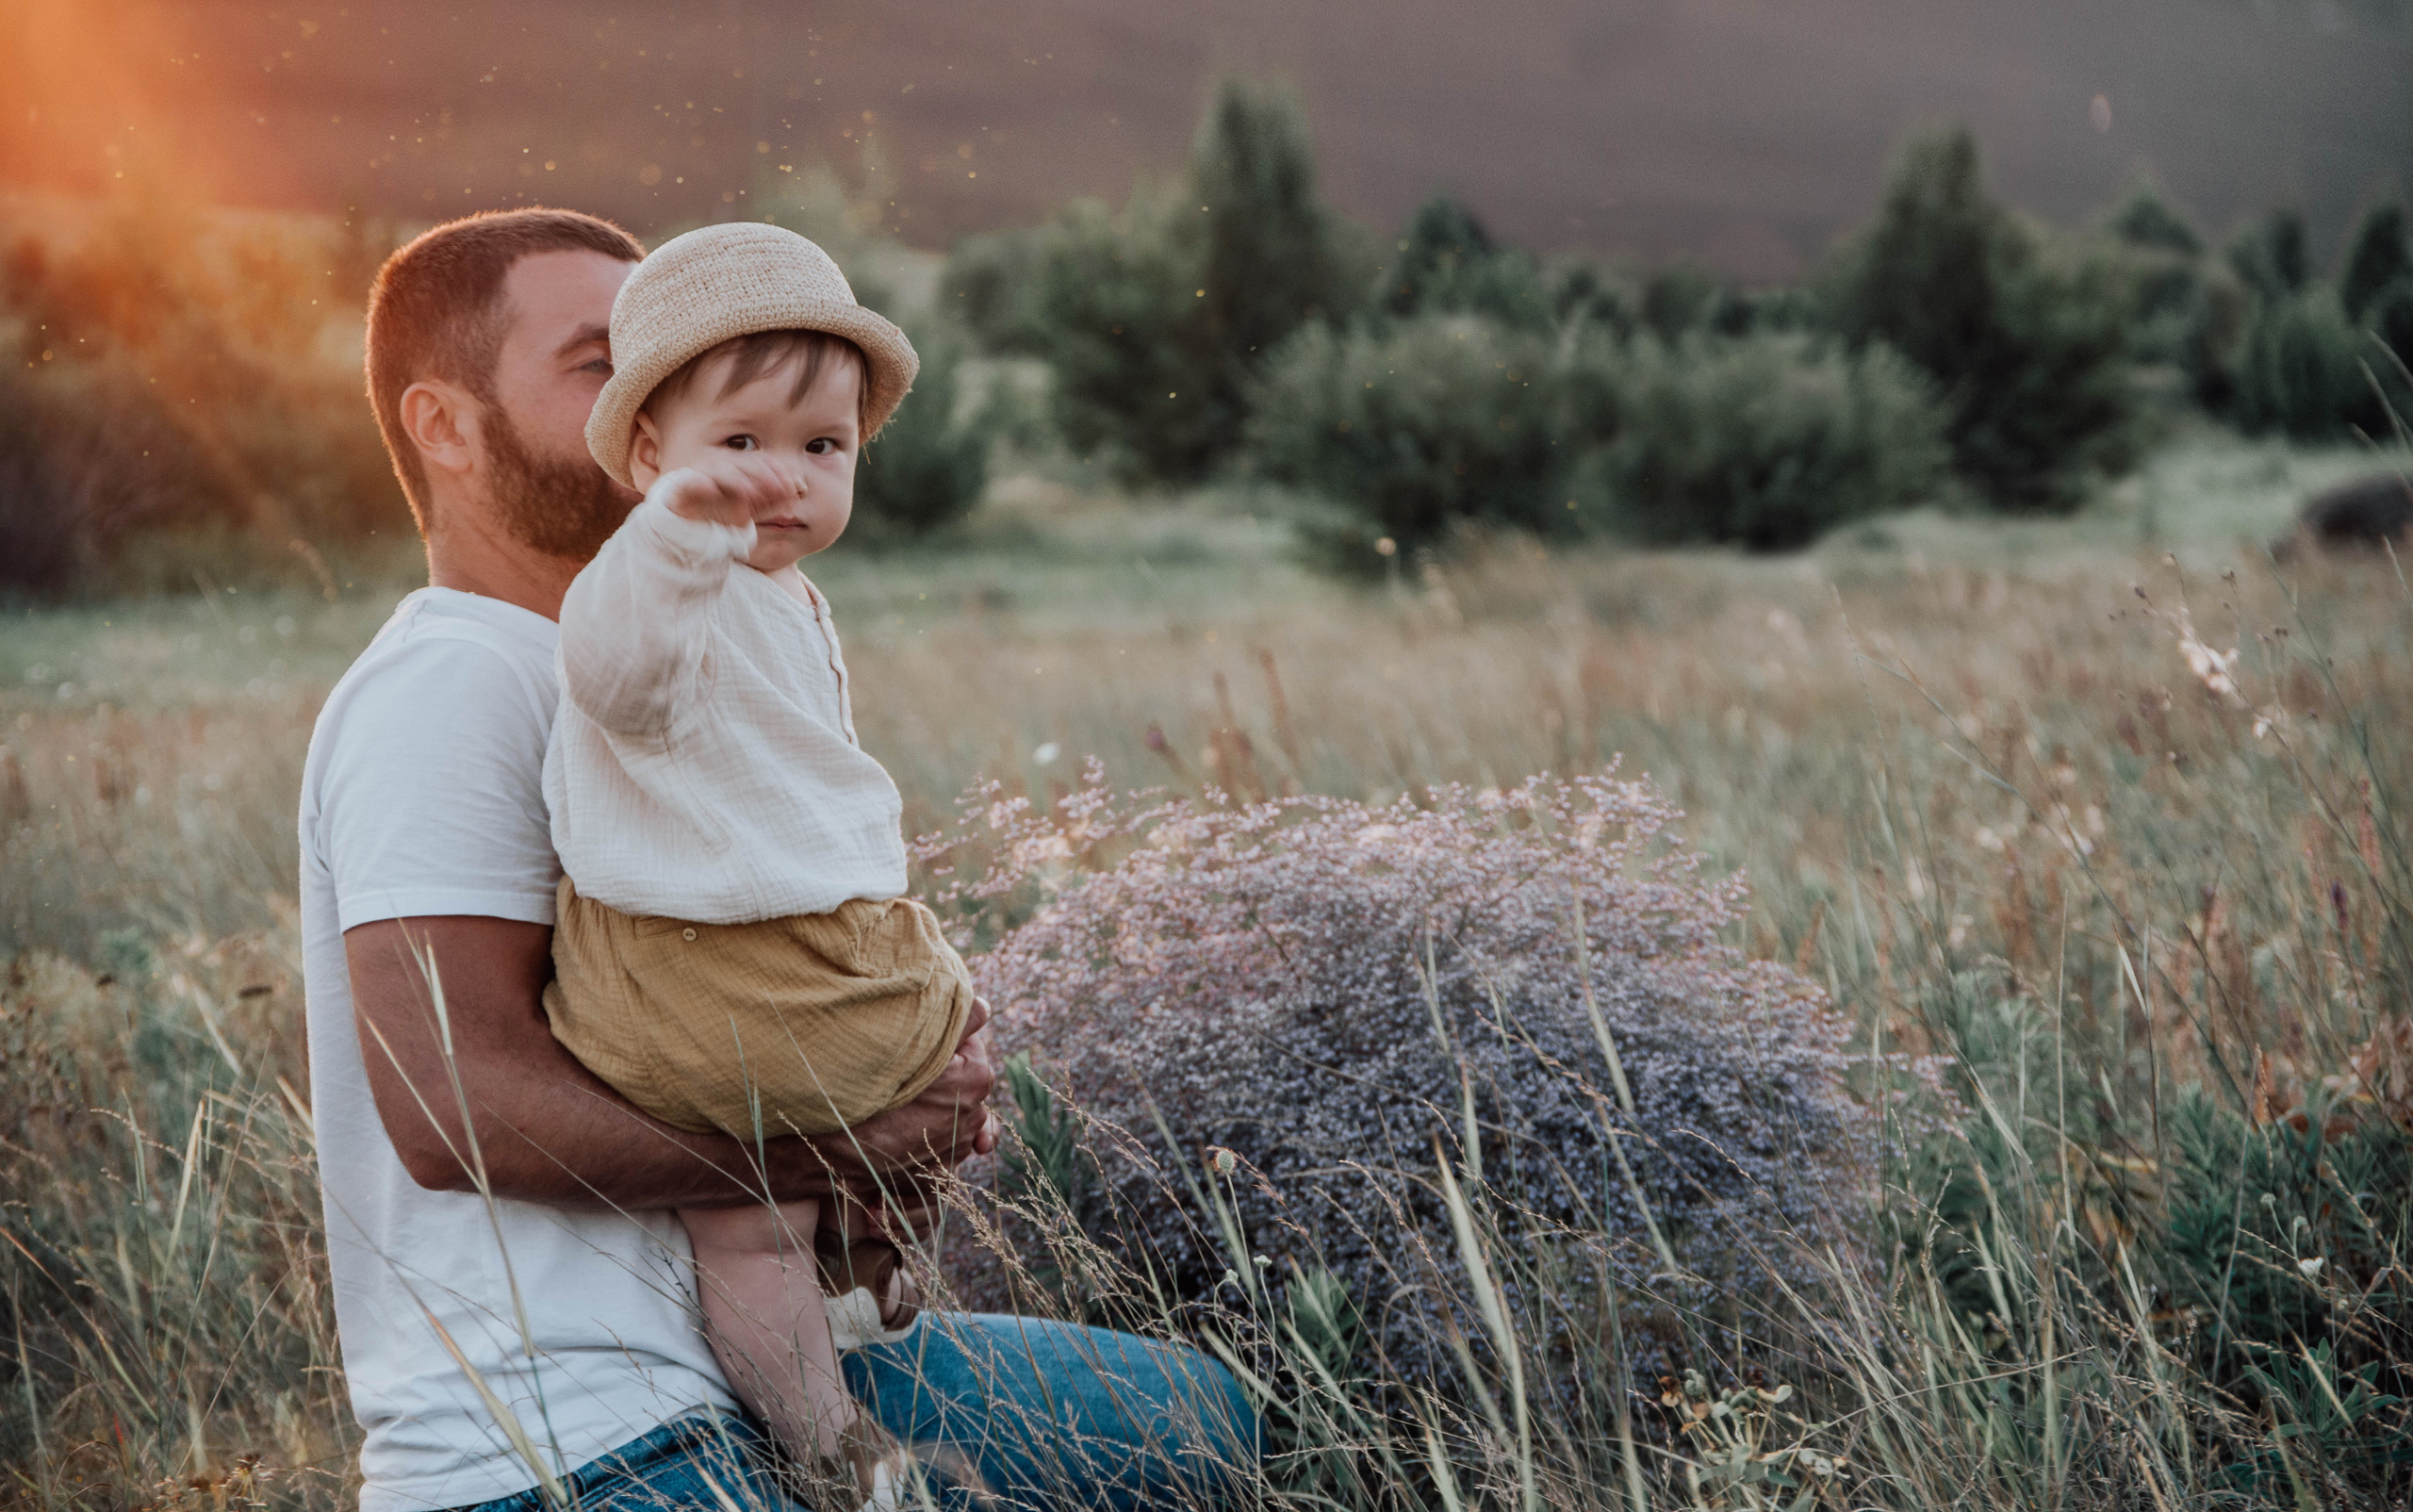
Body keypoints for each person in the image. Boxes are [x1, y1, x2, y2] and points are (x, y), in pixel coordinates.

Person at [300, 207, 1256, 1512]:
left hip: (766, 1359)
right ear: (444, 427)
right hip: (582, 1436)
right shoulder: (452, 683)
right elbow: (458, 1108)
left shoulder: (739, 621)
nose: (685, 375)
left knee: (1211, 1429)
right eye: (605, 358)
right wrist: (838, 1141)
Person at [542, 222, 970, 1504]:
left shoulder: (781, 588)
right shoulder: (660, 585)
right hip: (708, 967)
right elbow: (614, 677)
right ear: (645, 458)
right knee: (747, 1214)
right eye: (738, 446)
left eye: (821, 448)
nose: (779, 481)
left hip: (775, 953)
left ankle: (863, 1275)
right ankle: (824, 1441)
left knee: (841, 1152)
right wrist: (675, 536)